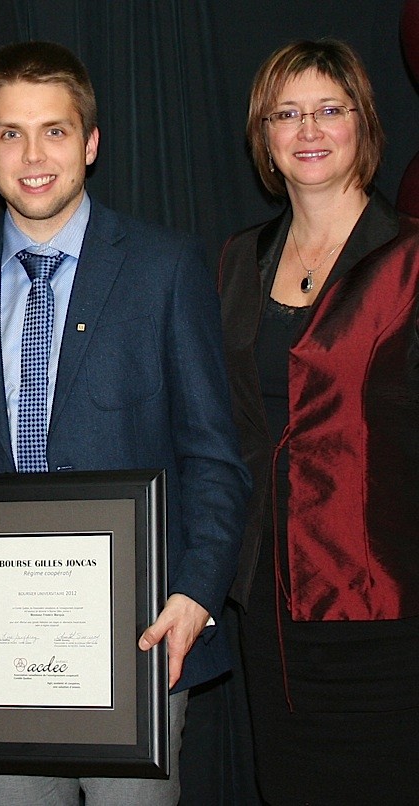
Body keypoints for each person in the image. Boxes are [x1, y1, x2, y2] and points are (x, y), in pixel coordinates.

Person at [0, 40, 249, 805]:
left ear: (90, 142)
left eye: (54, 130)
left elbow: (215, 456)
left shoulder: (166, 268)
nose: (33, 154)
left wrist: (194, 593)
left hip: (140, 642)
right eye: (11, 133)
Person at [218, 39, 419, 804]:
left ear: (363, 125)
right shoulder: (238, 260)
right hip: (267, 608)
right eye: (287, 113)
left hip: (386, 606)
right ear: (264, 136)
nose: (309, 130)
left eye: (330, 110)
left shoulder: (410, 257)